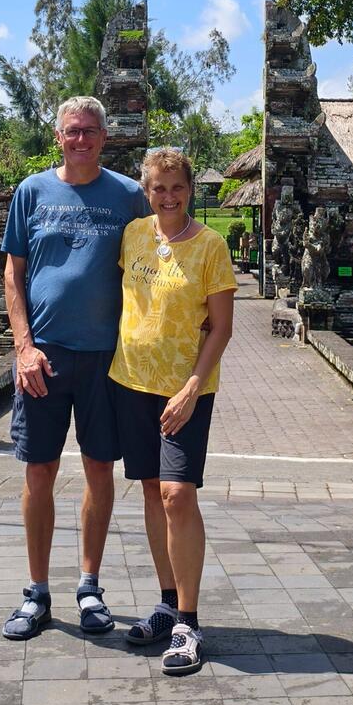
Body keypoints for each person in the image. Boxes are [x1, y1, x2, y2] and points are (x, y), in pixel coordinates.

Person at [1, 96, 148, 641]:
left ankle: (89, 586)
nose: (81, 139)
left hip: (107, 356)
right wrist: (23, 347)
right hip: (44, 355)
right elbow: (13, 274)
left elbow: (153, 267)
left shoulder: (129, 196)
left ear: (104, 137)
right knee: (38, 470)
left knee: (98, 469)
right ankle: (37, 591)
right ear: (58, 137)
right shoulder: (31, 192)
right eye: (72, 131)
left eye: (90, 131)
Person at [109, 147, 236, 674]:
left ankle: (188, 621)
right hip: (130, 380)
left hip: (186, 391)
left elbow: (222, 328)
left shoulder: (210, 246)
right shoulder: (133, 235)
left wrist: (191, 387)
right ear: (146, 191)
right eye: (158, 188)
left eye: (177, 187)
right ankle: (166, 603)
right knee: (150, 491)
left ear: (190, 190)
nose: (168, 196)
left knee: (177, 495)